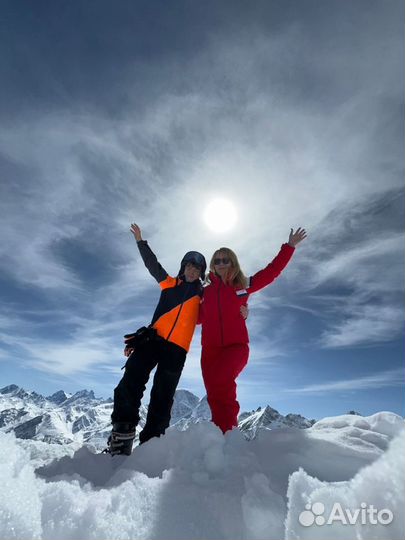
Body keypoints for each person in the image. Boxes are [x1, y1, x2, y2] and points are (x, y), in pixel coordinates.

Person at [106, 223, 206, 455]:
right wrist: (141, 242)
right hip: (153, 341)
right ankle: (122, 436)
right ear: (183, 268)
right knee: (130, 381)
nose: (192, 271)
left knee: (162, 397)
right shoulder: (169, 284)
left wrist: (243, 309)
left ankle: (151, 448)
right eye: (189, 266)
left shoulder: (203, 297)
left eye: (197, 269)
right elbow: (153, 265)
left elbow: (224, 301)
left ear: (201, 273)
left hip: (177, 351)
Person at [199, 227, 307, 435]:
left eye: (225, 260)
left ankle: (229, 434)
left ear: (233, 262)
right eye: (217, 260)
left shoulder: (242, 285)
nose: (221, 264)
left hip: (235, 346)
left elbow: (270, 273)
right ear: (213, 265)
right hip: (210, 350)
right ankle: (218, 435)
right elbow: (195, 318)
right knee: (214, 392)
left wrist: (289, 247)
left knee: (223, 382)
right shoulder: (204, 291)